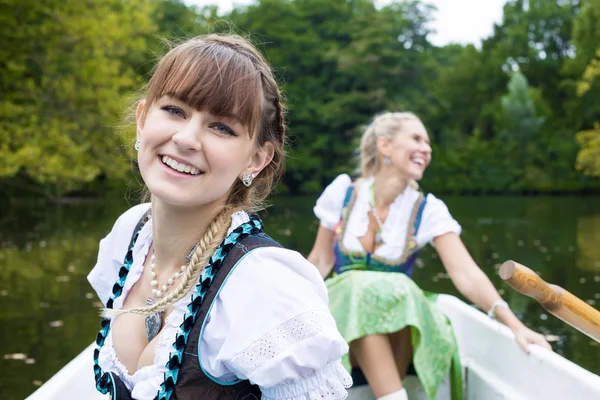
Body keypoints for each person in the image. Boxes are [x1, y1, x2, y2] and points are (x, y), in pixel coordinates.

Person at [87, 34, 352, 400]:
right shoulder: (130, 234)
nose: (187, 139)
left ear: (255, 161)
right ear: (142, 119)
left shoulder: (264, 286)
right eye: (175, 110)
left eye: (221, 127)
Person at [307, 112, 551, 400]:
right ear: (385, 146)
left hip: (399, 327)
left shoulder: (428, 210)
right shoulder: (343, 193)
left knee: (394, 291)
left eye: (428, 142)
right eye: (416, 139)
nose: (427, 148)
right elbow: (319, 263)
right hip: (343, 323)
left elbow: (466, 273)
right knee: (354, 288)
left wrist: (515, 324)